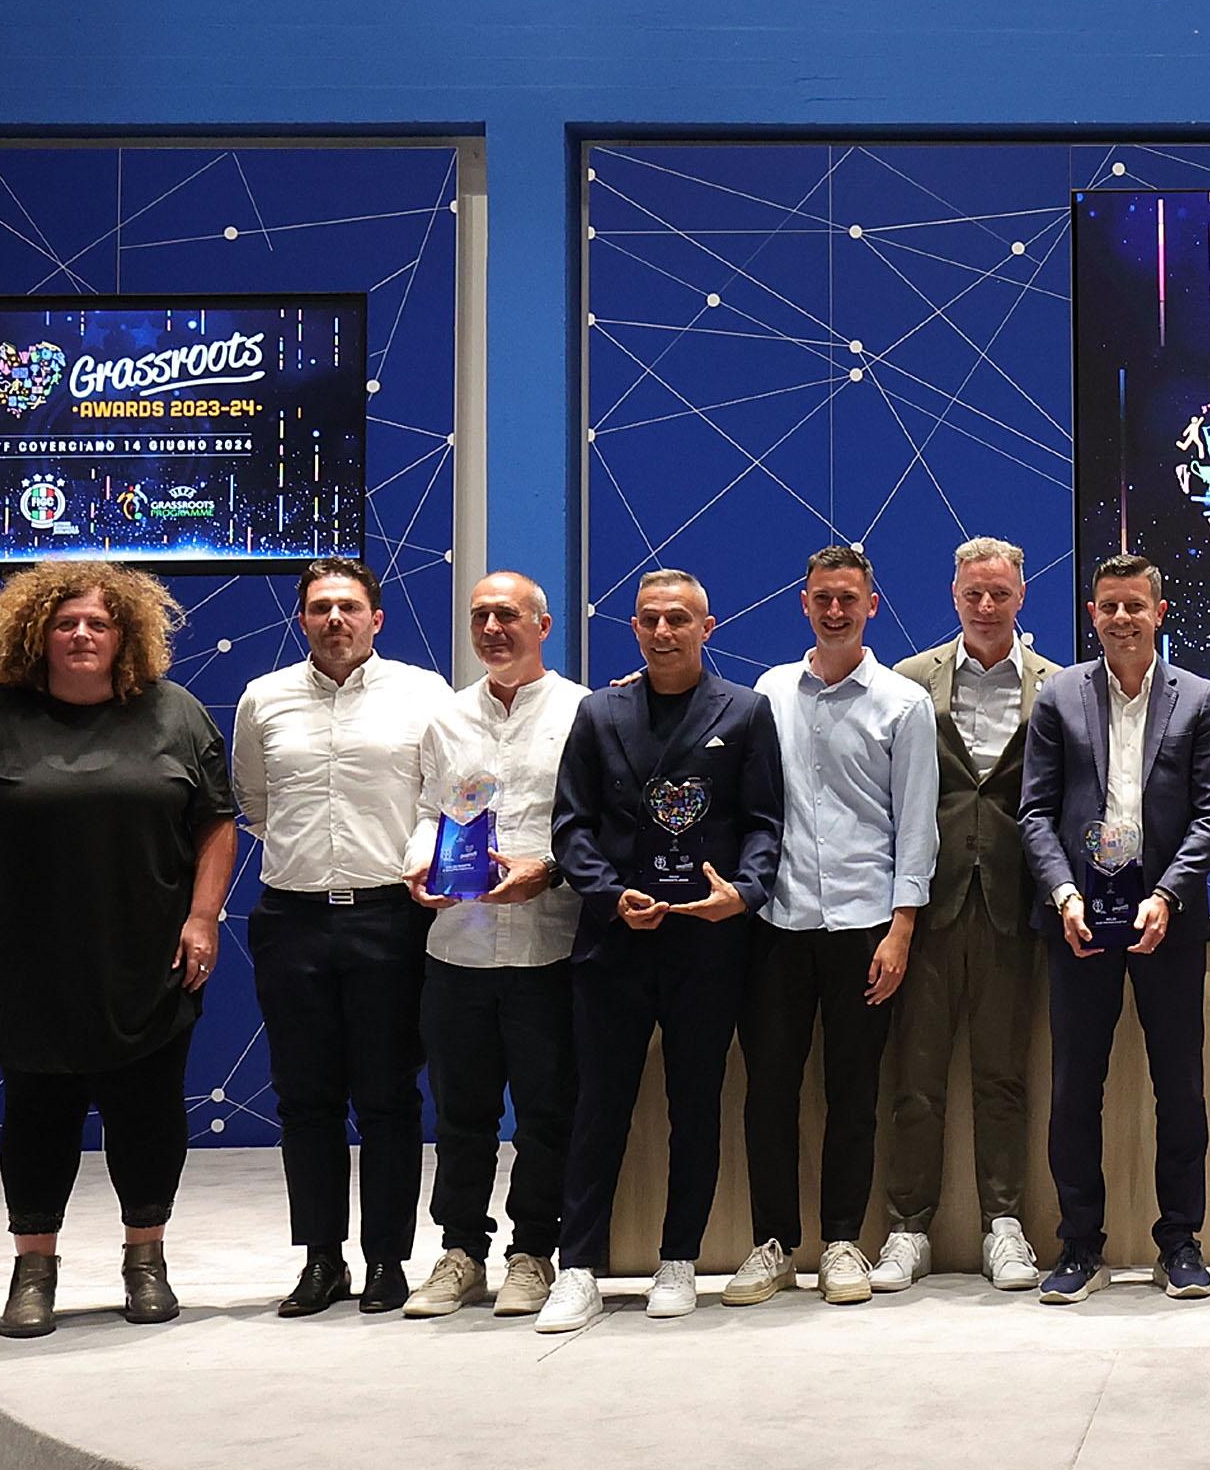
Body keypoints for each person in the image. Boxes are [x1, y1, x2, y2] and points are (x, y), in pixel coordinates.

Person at [0, 563, 236, 1339]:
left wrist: (203, 917)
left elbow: (216, 824)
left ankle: (146, 1261)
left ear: (126, 632)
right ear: (37, 633)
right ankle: (34, 1270)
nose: (83, 635)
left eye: (98, 622)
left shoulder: (177, 715)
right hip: (25, 962)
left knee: (149, 1115)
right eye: (66, 623)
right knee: (37, 1113)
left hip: (149, 956)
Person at [539, 570, 785, 1333]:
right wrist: (611, 896)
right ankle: (576, 1267)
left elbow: (765, 825)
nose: (663, 631)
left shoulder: (745, 712)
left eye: (679, 619)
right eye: (649, 619)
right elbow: (570, 829)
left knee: (695, 1104)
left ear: (707, 628)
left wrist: (741, 894)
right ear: (635, 628)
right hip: (616, 940)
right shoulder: (598, 711)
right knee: (598, 1108)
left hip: (706, 944)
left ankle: (679, 1260)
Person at [233, 558, 452, 1318]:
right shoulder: (263, 699)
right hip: (291, 919)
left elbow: (443, 796)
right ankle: (320, 1260)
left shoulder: (424, 695)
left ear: (376, 619)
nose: (335, 619)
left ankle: (388, 1260)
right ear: (302, 620)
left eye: (349, 607)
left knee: (388, 1098)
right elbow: (254, 801)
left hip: (388, 917)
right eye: (321, 607)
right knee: (305, 1099)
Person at [725, 545, 936, 1311]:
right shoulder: (769, 692)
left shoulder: (902, 703)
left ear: (872, 605)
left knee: (853, 1094)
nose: (836, 610)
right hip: (777, 923)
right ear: (804, 603)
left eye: (849, 598)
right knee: (770, 1092)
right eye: (823, 598)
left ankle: (843, 1238)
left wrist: (902, 927)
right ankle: (773, 1244)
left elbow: (916, 827)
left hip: (864, 926)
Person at [1019, 555, 1210, 1304]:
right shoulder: (1058, 697)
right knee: (1076, 1086)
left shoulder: (1199, 699)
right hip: (1079, 920)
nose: (1121, 619)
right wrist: (1063, 893)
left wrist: (1169, 894)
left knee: (1180, 1087)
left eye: (1134, 606)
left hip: (1165, 921)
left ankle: (1180, 1243)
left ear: (1159, 611)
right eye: (1108, 606)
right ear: (1092, 613)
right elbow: (1035, 813)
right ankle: (1079, 1247)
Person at [396, 572, 586, 1320]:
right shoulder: (445, 720)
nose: (492, 628)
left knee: (546, 1114)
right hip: (459, 947)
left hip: (552, 945)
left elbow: (594, 824)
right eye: (480, 617)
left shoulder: (582, 712)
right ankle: (460, 1253)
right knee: (462, 1115)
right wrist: (418, 865)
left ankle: (534, 1251)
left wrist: (553, 873)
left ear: (543, 626)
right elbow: (426, 814)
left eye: (507, 615)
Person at [882, 536, 1060, 1292]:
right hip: (925, 901)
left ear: (1022, 598)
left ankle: (1005, 1226)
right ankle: (906, 1228)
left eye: (1000, 595)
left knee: (1003, 1076)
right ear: (953, 597)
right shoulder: (907, 681)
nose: (986, 607)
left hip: (1016, 904)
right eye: (972, 595)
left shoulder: (1056, 687)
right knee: (916, 1077)